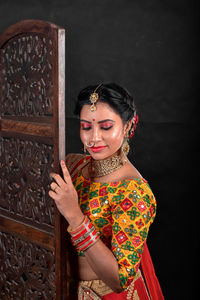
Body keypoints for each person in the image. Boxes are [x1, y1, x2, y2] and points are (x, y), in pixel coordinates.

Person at [49, 83, 164, 299]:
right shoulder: (72, 165)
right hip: (59, 287)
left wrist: (74, 215)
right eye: (86, 127)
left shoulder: (134, 191)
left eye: (106, 126)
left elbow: (119, 279)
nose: (94, 138)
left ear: (128, 126)